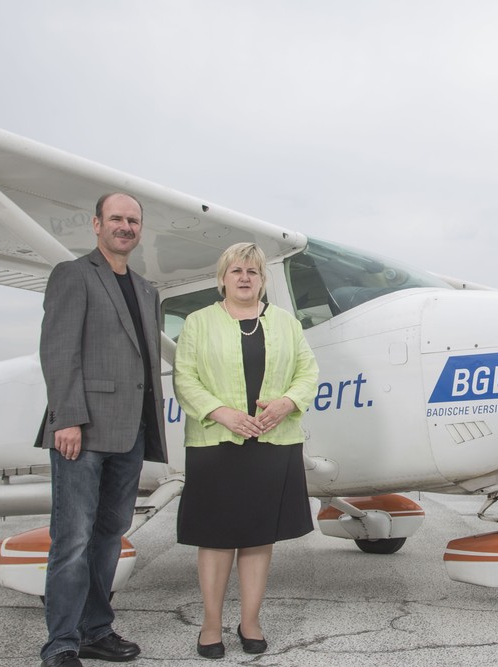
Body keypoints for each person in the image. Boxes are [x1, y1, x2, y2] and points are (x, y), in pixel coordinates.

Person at [37, 193, 168, 667]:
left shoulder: (148, 290)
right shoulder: (73, 275)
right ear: (96, 223)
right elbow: (58, 350)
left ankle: (96, 629)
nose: (125, 226)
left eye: (133, 220)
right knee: (72, 537)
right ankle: (62, 642)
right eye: (116, 218)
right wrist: (67, 418)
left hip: (130, 432)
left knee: (110, 534)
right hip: (83, 429)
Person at [174, 242, 319, 659]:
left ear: (262, 280)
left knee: (258, 536)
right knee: (216, 537)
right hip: (216, 443)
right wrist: (221, 413)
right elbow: (185, 378)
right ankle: (211, 624)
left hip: (273, 441)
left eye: (252, 272)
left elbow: (307, 371)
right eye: (236, 270)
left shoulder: (287, 324)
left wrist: (287, 403)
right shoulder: (198, 323)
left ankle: (250, 620)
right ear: (222, 278)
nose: (243, 277)